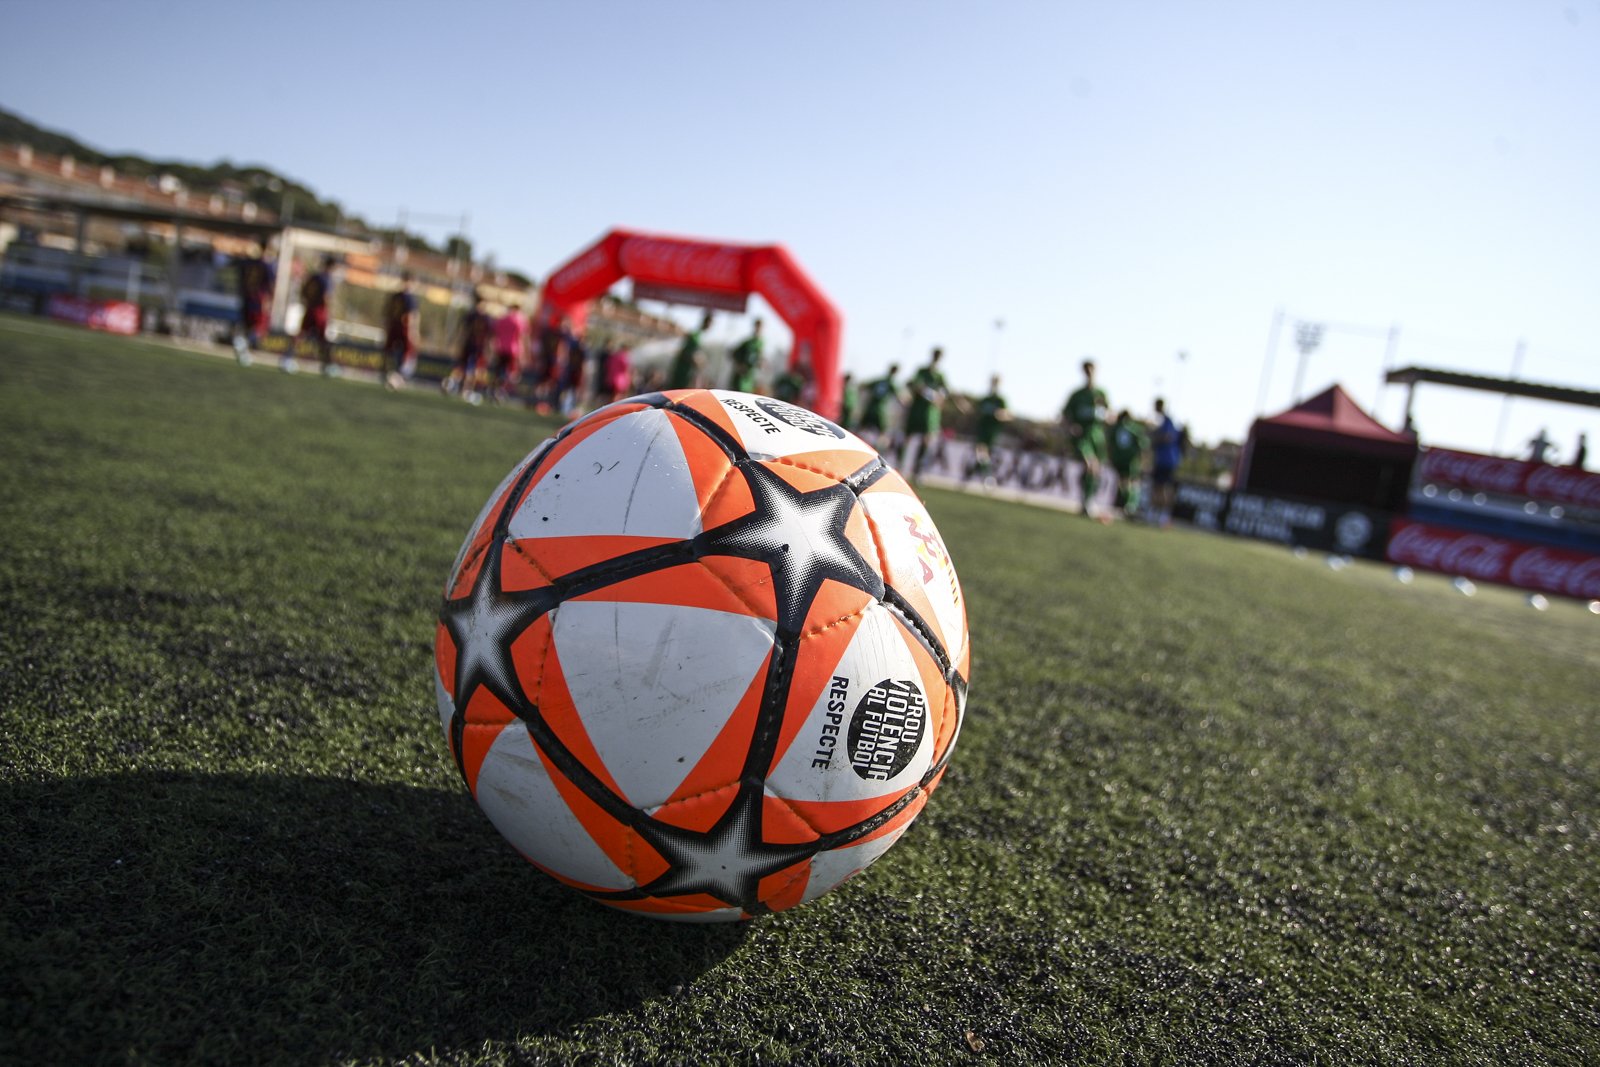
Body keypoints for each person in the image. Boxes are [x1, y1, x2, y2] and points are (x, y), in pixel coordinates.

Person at [1061, 359, 1110, 517]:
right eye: (1086, 370)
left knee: (1094, 470)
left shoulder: (1101, 394)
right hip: (1082, 437)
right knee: (1090, 464)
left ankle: (1087, 499)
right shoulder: (1077, 395)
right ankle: (1086, 501)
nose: (1089, 373)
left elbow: (1109, 414)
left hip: (1097, 436)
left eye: (1091, 370)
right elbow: (1065, 415)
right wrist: (1071, 427)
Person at [902, 347, 951, 479]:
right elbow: (915, 385)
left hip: (931, 415)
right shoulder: (922, 371)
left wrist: (939, 397)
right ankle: (899, 466)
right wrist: (927, 393)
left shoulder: (940, 376)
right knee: (907, 438)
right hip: (917, 411)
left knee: (926, 441)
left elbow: (945, 393)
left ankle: (917, 470)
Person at [444, 291, 494, 403]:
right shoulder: (480, 317)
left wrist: (489, 349)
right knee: (469, 369)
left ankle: (454, 385)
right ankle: (464, 390)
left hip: (475, 347)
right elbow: (464, 331)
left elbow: (489, 337)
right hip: (473, 346)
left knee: (469, 369)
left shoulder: (477, 317)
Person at [291, 255, 337, 375]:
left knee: (301, 334)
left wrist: (308, 301)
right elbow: (326, 297)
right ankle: (327, 365)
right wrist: (329, 312)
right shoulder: (326, 278)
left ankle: (289, 357)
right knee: (323, 340)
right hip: (320, 312)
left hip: (310, 309)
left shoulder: (314, 276)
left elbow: (303, 291)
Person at [232, 245, 273, 367]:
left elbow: (241, 279)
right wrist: (268, 301)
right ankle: (242, 343)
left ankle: (244, 352)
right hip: (259, 299)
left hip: (247, 297)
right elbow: (270, 284)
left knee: (247, 325)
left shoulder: (249, 264)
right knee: (260, 327)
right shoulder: (266, 266)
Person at [966, 375, 1010, 484]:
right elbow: (975, 411)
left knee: (983, 454)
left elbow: (1007, 414)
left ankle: (981, 474)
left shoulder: (1000, 400)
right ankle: (985, 476)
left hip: (992, 431)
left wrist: (999, 414)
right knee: (981, 452)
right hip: (982, 429)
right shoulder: (985, 399)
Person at [1108, 409, 1150, 518]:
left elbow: (1110, 445)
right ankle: (1129, 506)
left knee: (1122, 482)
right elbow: (1143, 446)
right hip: (1130, 461)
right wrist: (1143, 461)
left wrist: (1111, 457)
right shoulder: (1134, 429)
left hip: (1118, 459)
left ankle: (1122, 504)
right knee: (1132, 483)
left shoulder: (1115, 428)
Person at [381, 271, 419, 389]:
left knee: (393, 351)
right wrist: (414, 331)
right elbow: (412, 316)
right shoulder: (409, 298)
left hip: (395, 326)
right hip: (403, 327)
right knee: (407, 353)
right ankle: (397, 376)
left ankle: (393, 375)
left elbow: (387, 312)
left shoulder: (395, 296)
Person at [1149, 397, 1183, 527]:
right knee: (1157, 487)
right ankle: (1155, 514)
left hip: (1167, 460)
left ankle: (1164, 516)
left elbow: (1167, 437)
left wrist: (1154, 436)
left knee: (1163, 488)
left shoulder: (1167, 421)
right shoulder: (1162, 421)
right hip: (1161, 459)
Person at [857, 363, 904, 452]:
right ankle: (879, 452)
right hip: (880, 412)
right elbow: (901, 398)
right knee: (884, 434)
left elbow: (863, 385)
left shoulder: (878, 380)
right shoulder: (892, 383)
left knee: (861, 429)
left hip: (870, 409)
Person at [490, 300, 529, 402]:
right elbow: (521, 337)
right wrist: (524, 353)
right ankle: (503, 391)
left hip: (501, 348)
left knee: (499, 371)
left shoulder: (502, 319)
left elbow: (495, 333)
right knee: (512, 372)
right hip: (513, 350)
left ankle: (495, 390)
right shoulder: (519, 320)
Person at [669, 311, 712, 390]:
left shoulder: (700, 336)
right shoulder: (695, 335)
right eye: (710, 323)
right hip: (683, 372)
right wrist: (697, 361)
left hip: (688, 373)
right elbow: (686, 353)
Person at [728, 317, 764, 393]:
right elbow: (734, 353)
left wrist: (760, 363)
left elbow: (758, 357)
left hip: (749, 376)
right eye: (757, 326)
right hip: (740, 376)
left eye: (760, 327)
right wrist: (739, 365)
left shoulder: (760, 343)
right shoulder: (747, 342)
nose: (758, 329)